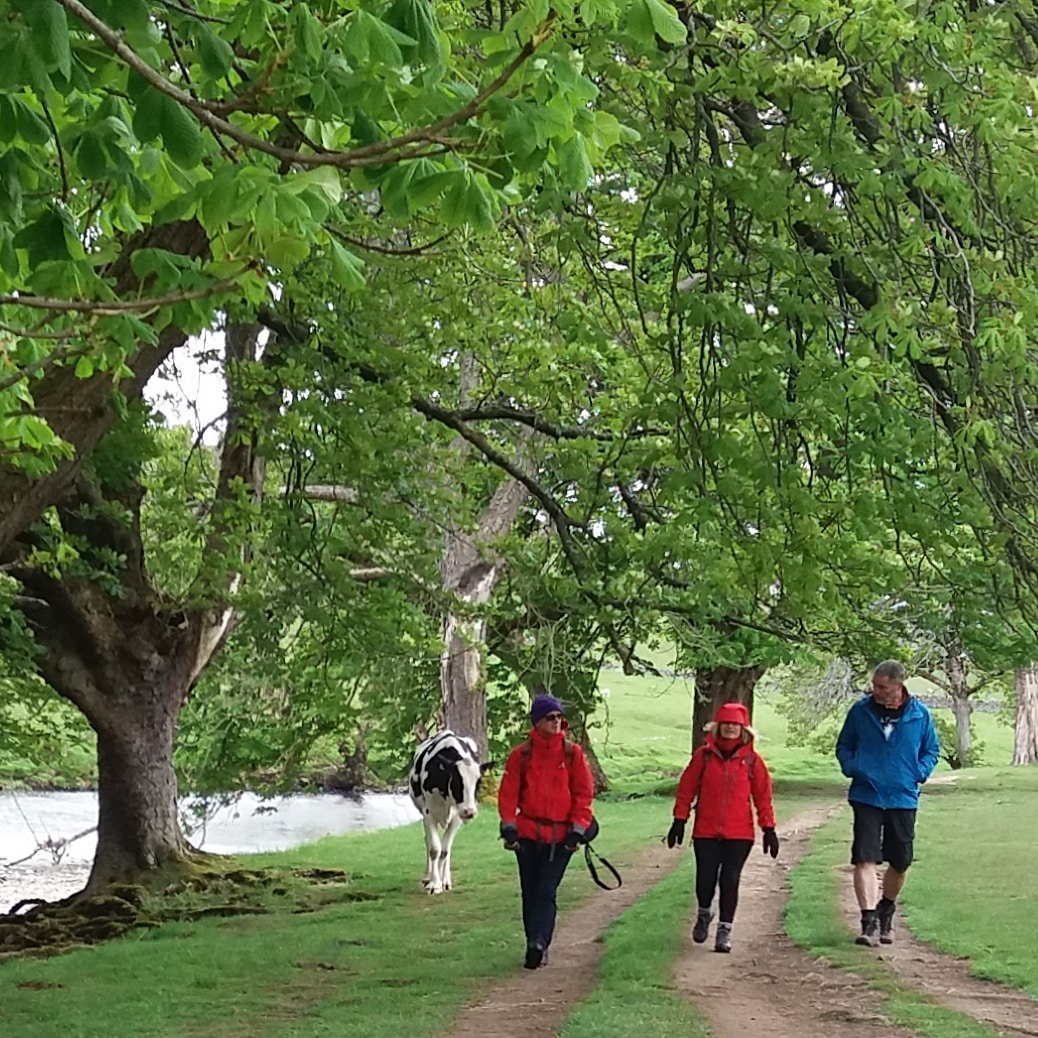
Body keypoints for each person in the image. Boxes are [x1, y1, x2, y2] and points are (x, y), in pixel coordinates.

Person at [835, 660, 940, 948]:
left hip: (902, 797)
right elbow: (844, 745)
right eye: (874, 685)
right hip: (866, 794)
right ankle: (868, 922)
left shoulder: (920, 715)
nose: (875, 691)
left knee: (901, 861)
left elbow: (931, 750)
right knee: (865, 857)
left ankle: (887, 908)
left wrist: (918, 773)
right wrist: (852, 766)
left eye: (882, 687)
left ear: (898, 685)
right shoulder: (860, 711)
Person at [666, 701, 779, 954]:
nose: (730, 728)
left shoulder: (752, 761)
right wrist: (679, 820)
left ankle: (724, 930)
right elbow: (686, 789)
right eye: (726, 724)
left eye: (735, 725)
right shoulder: (703, 757)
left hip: (739, 834)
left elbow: (763, 796)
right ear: (717, 727)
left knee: (730, 880)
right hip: (706, 831)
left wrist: (768, 829)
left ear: (744, 730)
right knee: (705, 880)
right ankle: (704, 912)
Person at [498, 692, 595, 969]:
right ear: (537, 721)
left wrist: (577, 830)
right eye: (550, 717)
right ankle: (533, 941)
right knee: (530, 891)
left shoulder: (573, 754)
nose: (556, 721)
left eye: (559, 717)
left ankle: (540, 942)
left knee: (546, 890)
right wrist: (509, 828)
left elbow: (583, 794)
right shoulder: (521, 755)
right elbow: (508, 795)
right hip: (528, 835)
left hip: (561, 838)